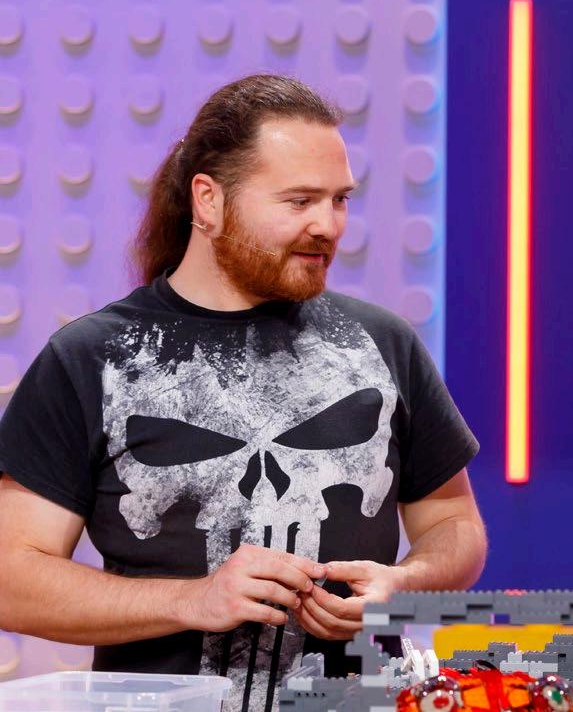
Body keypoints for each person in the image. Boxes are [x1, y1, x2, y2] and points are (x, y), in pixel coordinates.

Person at [0, 75, 488, 711]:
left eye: (340, 200)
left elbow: (455, 524)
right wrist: (192, 599)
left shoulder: (382, 343)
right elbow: (11, 577)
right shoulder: (89, 358)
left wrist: (406, 584)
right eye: (299, 200)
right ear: (208, 200)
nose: (328, 225)